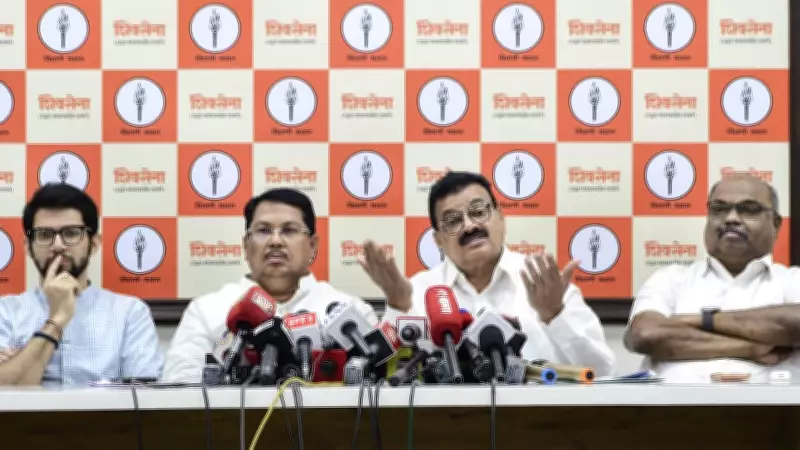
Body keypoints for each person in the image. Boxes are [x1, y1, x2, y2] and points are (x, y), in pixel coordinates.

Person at [359, 171, 615, 376]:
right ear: (438, 240)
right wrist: (398, 304)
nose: (469, 226)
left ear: (501, 217)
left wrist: (554, 315)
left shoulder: (546, 287)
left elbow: (601, 372)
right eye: (453, 221)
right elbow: (382, 377)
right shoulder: (417, 292)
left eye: (479, 212)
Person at [162, 188, 378, 382]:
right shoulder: (206, 310)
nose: (275, 241)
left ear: (312, 246)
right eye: (263, 231)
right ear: (246, 246)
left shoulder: (351, 311)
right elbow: (180, 389)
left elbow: (381, 383)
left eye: (289, 230)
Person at [625, 175, 800, 383]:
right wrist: (750, 348)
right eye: (719, 209)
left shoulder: (792, 280)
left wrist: (702, 320)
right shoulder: (670, 279)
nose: (731, 218)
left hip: (775, 405)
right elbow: (645, 335)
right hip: (676, 403)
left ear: (776, 224)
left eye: (748, 209)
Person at [0, 183, 163, 386]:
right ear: (27, 246)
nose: (58, 245)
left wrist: (21, 361)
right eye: (44, 235)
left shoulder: (130, 313)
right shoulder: (6, 312)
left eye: (71, 233)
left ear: (94, 244)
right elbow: (6, 393)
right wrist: (57, 320)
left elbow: (143, 397)